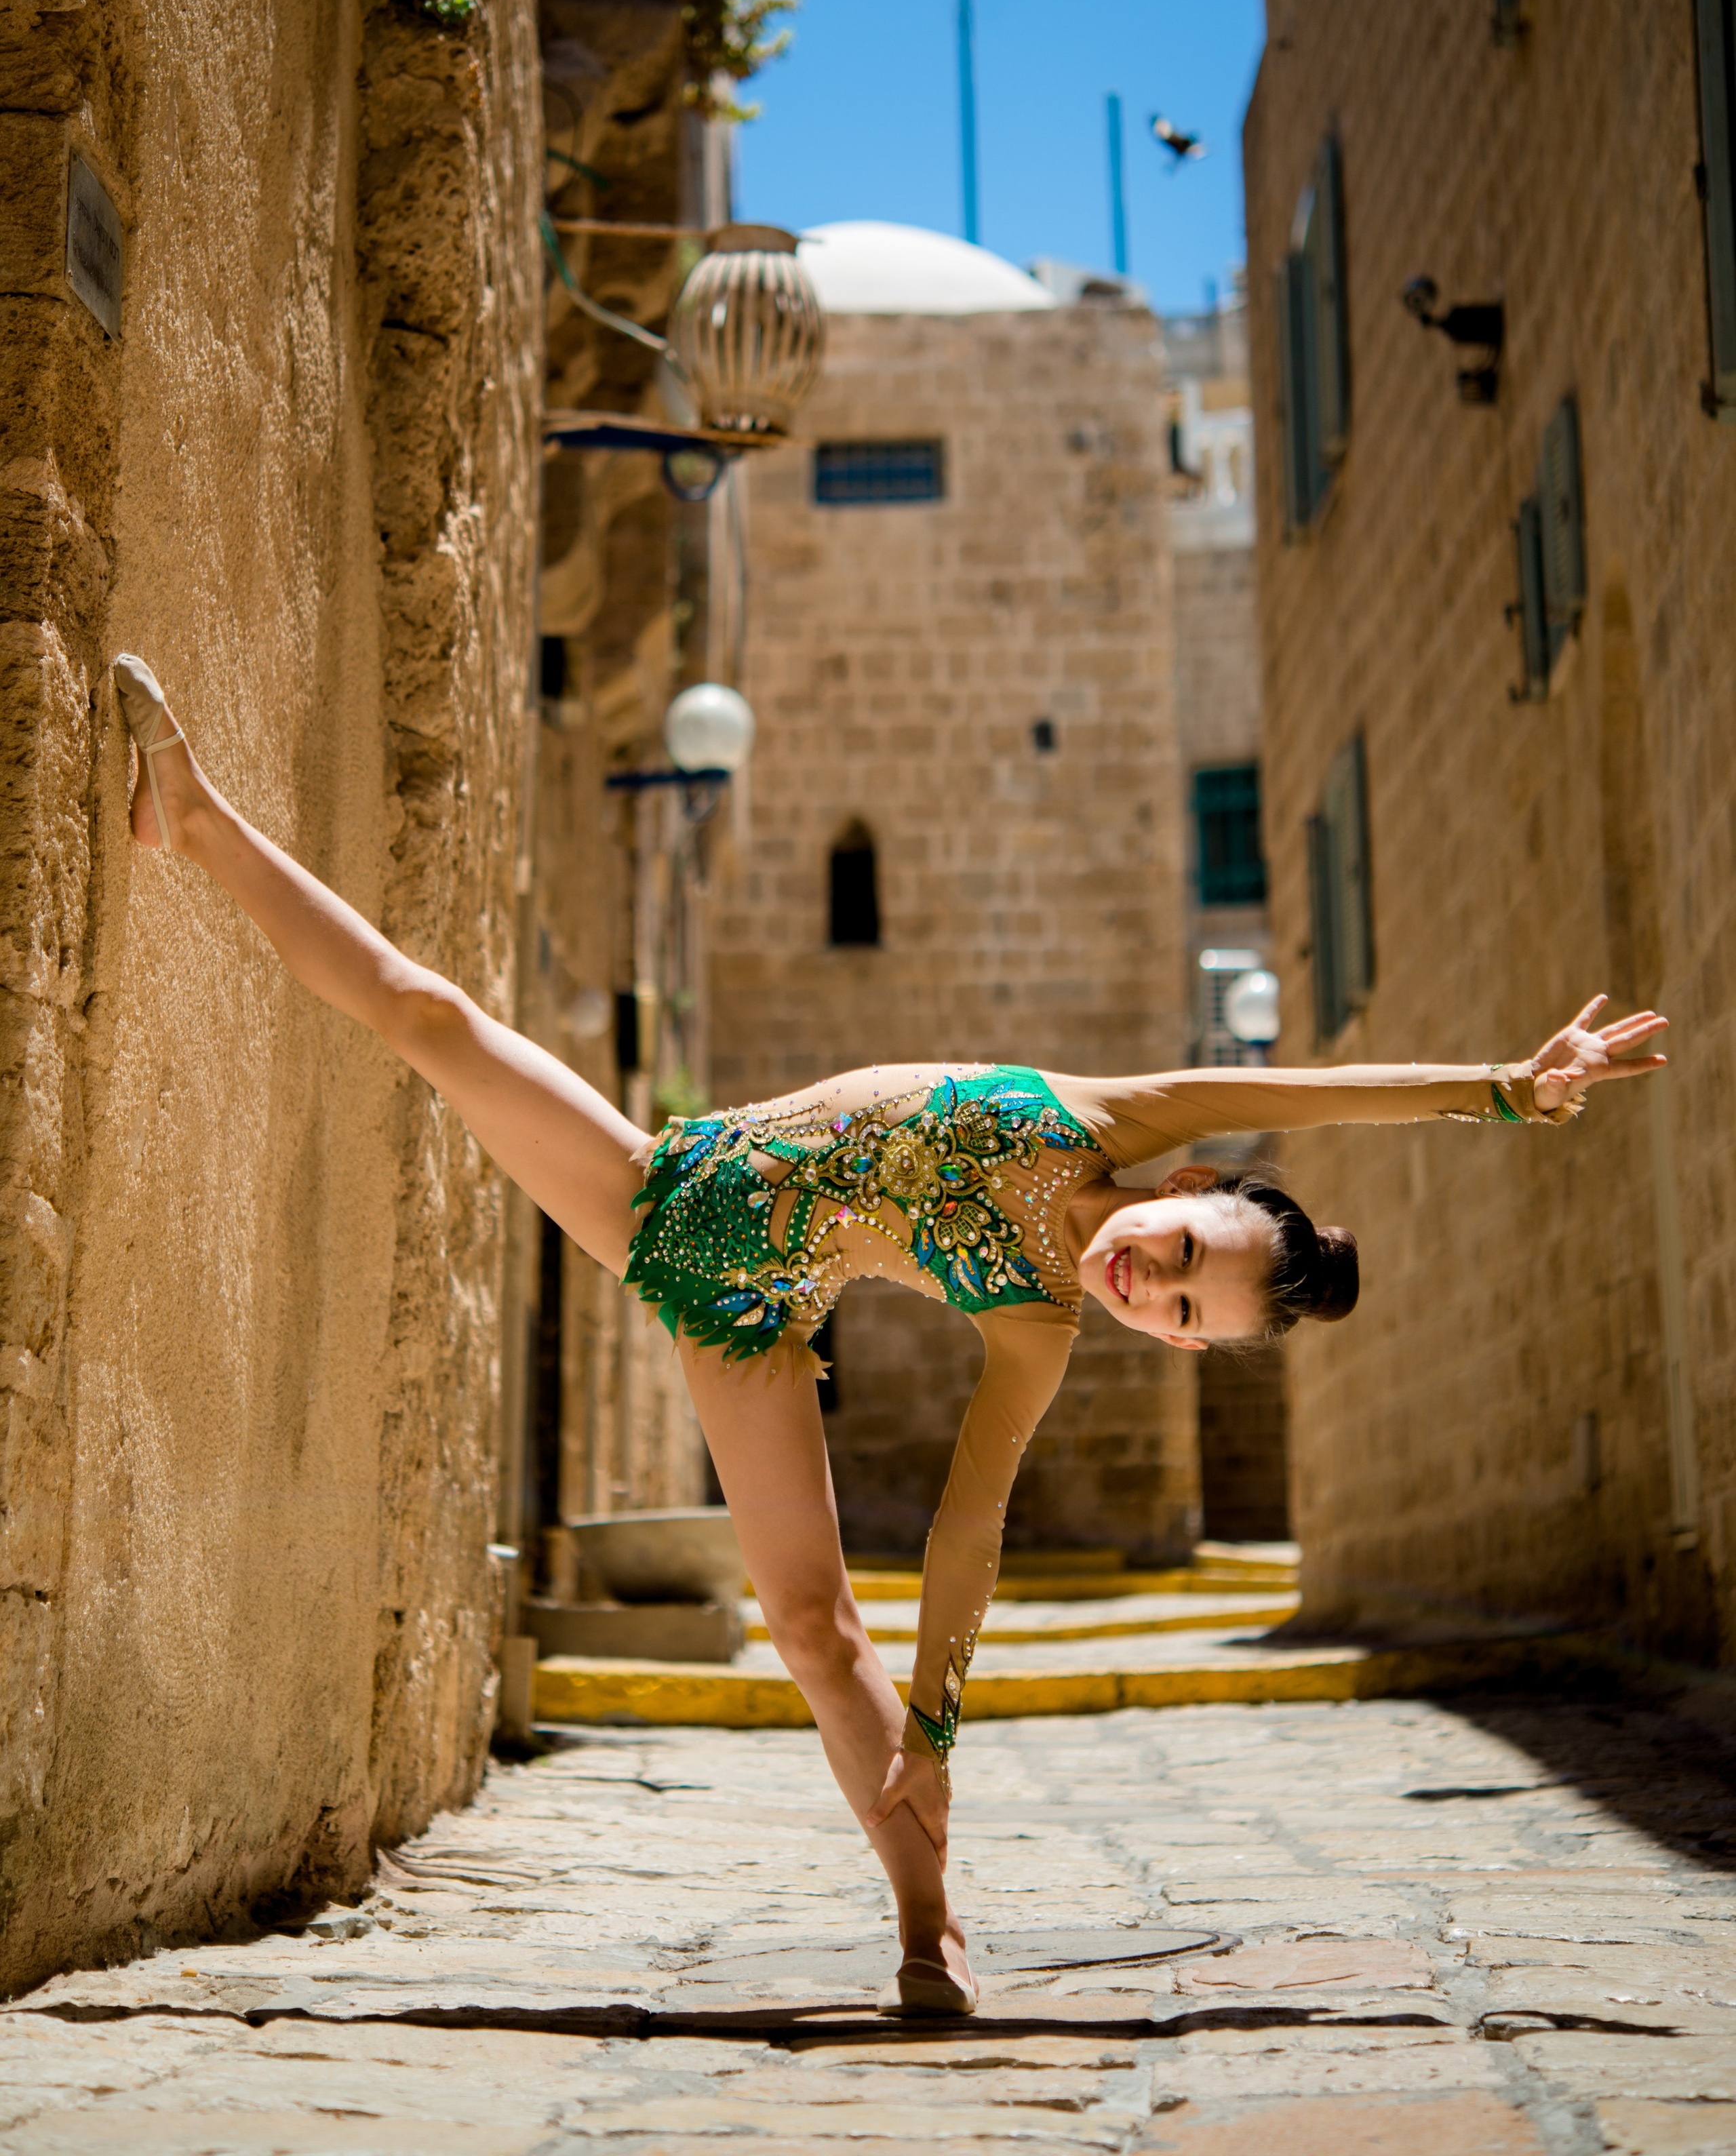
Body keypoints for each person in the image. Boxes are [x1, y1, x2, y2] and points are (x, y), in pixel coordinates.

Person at [111, 654, 1668, 2017]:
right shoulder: (1115, 1118)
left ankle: (926, 1924)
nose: (1154, 1281)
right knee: (434, 1020)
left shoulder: (1041, 1332)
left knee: (812, 1626)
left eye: (1184, 1312)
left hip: (743, 1314)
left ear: (1187, 1353)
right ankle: (193, 814)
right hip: (669, 1185)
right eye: (1181, 1249)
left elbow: (966, 1528)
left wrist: (934, 1722)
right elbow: (1312, 1092)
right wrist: (1502, 1089)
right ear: (1185, 1186)